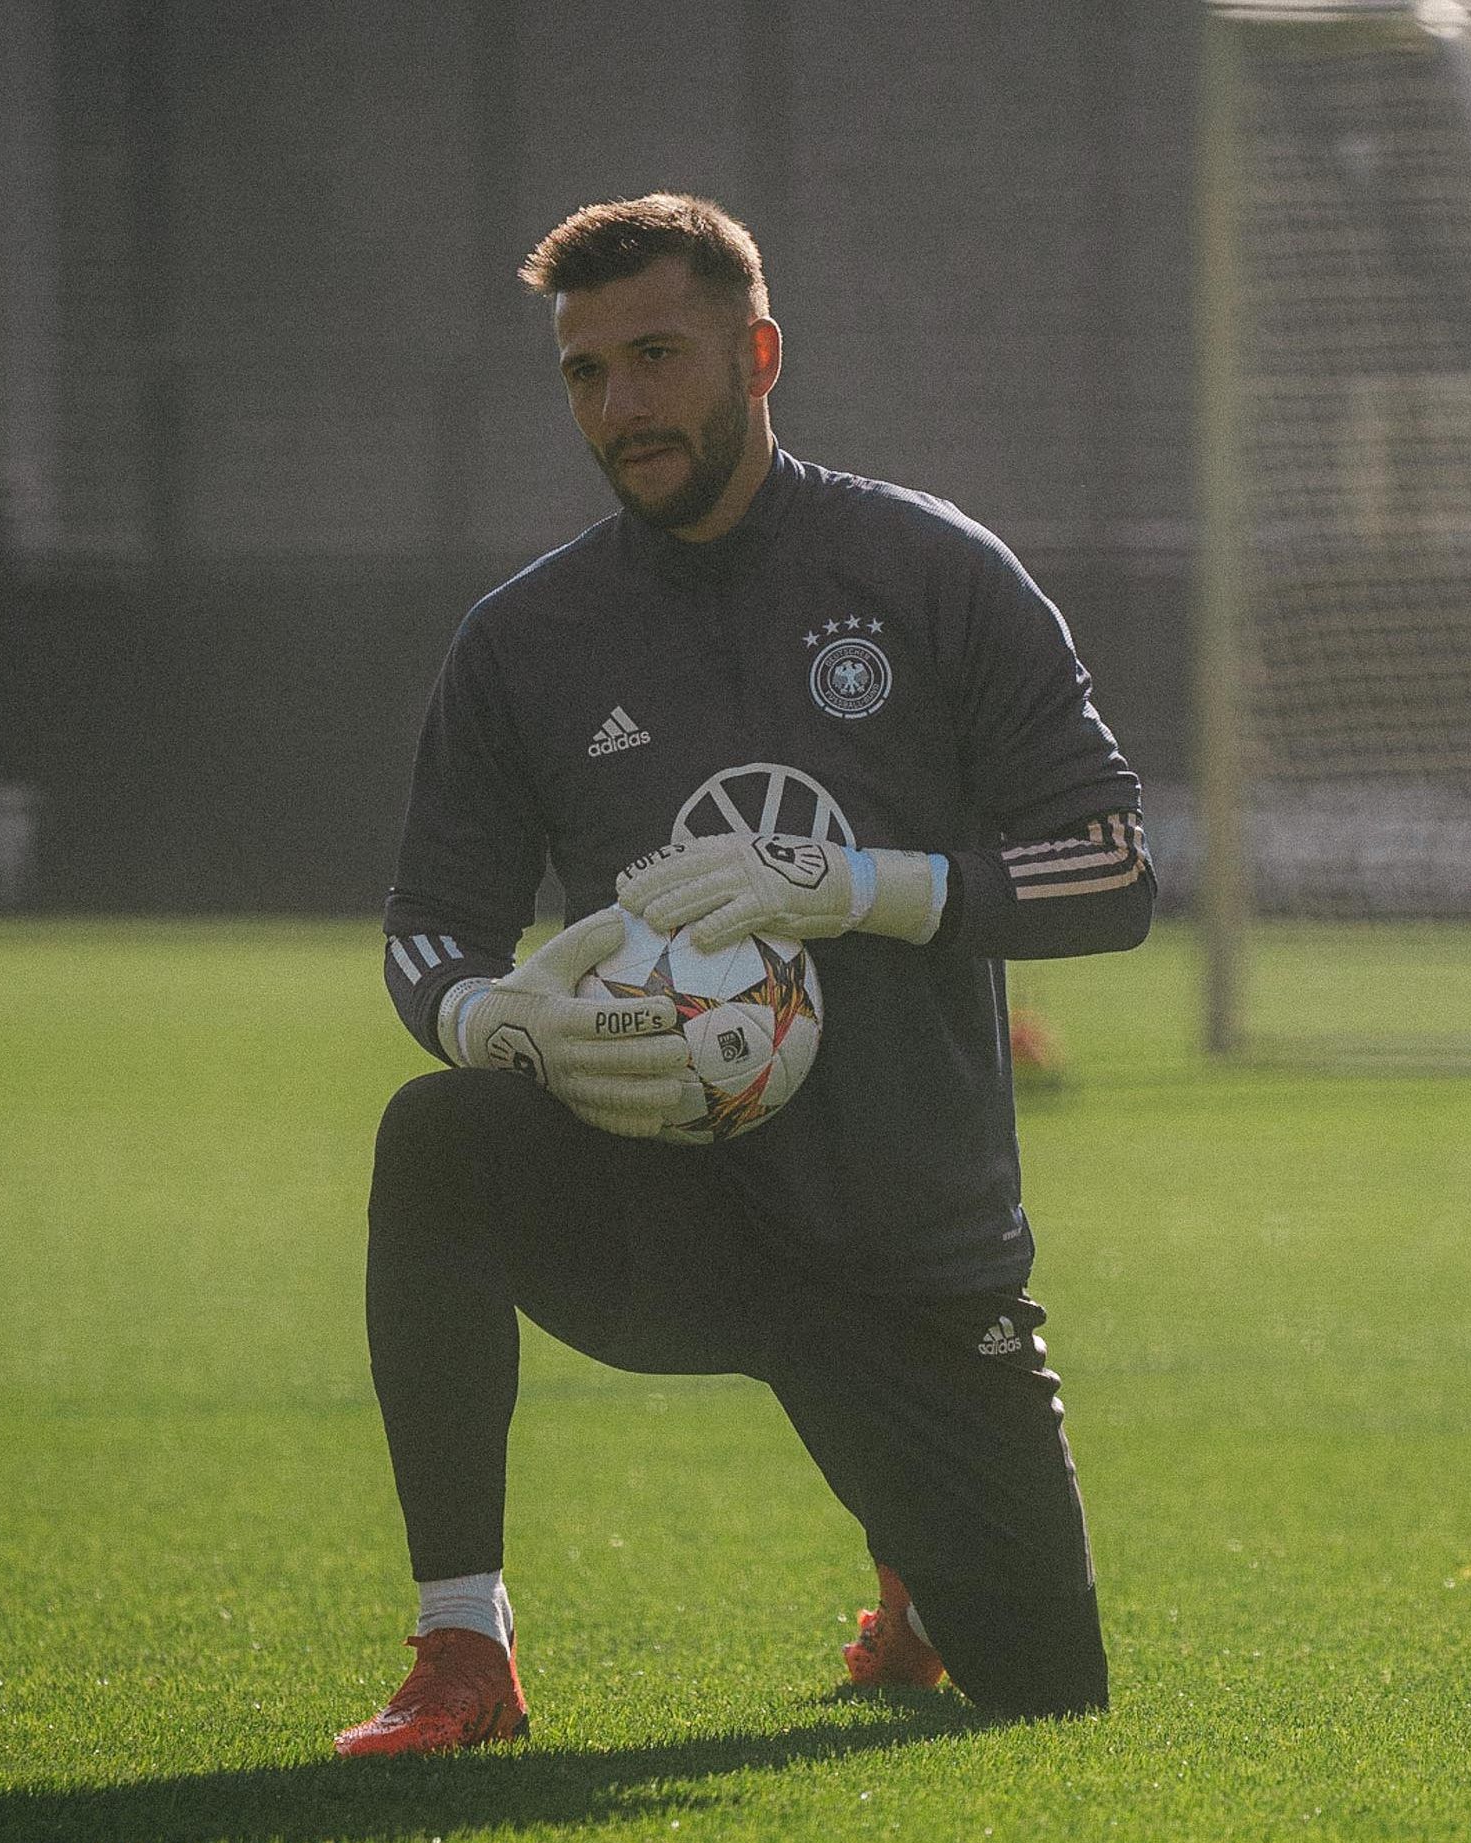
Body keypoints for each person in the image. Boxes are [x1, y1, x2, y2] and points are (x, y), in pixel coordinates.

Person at [336, 192, 1152, 1755]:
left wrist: (863, 887)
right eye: (586, 373)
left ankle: (919, 1573)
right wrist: (485, 1013)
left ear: (758, 356)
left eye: (657, 357)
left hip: (906, 1241)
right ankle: (460, 1649)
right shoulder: (523, 640)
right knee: (436, 1138)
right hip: (670, 1214)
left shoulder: (933, 573)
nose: (620, 406)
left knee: (1046, 1700)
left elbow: (1113, 869)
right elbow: (431, 921)